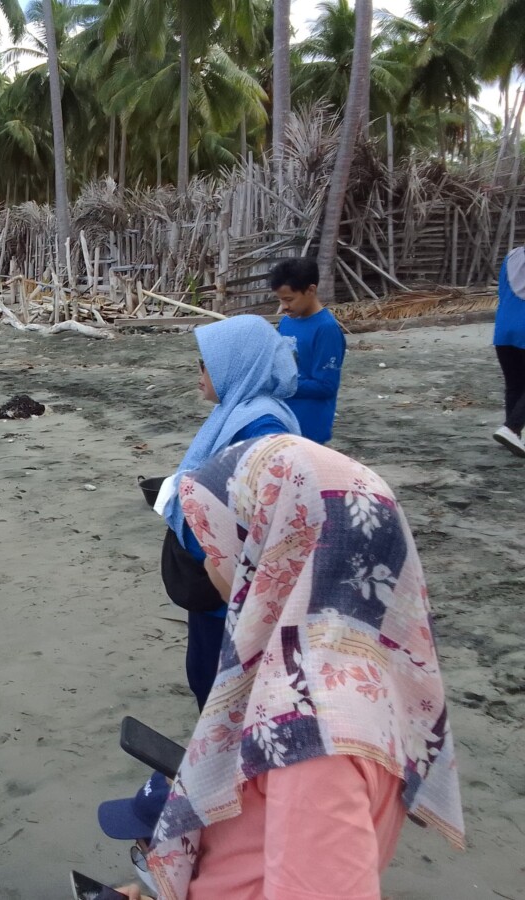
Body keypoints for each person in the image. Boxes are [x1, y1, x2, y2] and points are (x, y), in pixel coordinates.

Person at [119, 433, 466, 899]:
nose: (212, 568)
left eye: (219, 546)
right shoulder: (367, 671)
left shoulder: (312, 729)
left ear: (276, 548)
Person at [161, 315, 300, 709]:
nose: (199, 372)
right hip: (216, 577)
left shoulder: (261, 427)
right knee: (207, 675)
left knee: (223, 686)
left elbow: (260, 511)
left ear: (237, 365)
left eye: (205, 363)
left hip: (229, 586)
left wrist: (217, 568)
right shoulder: (237, 412)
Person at [271, 258, 346, 444]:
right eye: (280, 300)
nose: (284, 306)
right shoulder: (286, 322)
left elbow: (326, 385)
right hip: (284, 420)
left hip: (309, 427)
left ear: (311, 290)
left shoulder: (326, 329)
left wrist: (282, 385)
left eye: (289, 299)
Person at [492, 245, 525, 456]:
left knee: (514, 385)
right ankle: (511, 428)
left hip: (503, 329)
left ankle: (513, 437)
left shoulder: (512, 256)